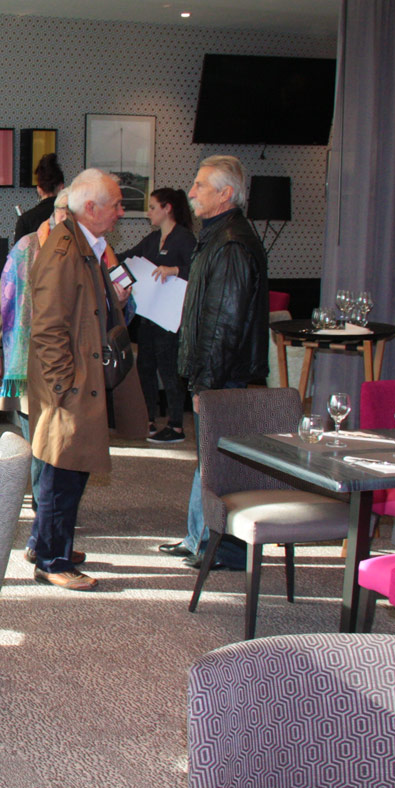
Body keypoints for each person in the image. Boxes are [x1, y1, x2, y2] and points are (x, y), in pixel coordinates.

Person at [159, 156, 269, 570]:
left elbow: (224, 323)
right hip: (218, 373)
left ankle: (218, 547)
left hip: (224, 377)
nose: (191, 193)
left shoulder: (232, 243)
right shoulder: (218, 236)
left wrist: (206, 384)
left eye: (200, 185)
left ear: (225, 194)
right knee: (209, 458)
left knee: (220, 464)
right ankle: (198, 539)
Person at [26, 169, 129, 591]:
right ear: (90, 208)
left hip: (79, 378)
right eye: (116, 205)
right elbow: (47, 328)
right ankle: (52, 559)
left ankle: (45, 544)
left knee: (72, 467)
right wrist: (64, 386)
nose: (121, 212)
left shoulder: (82, 244)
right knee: (61, 471)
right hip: (68, 384)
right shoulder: (65, 249)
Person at [0, 189, 71, 518]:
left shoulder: (91, 250)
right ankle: (44, 508)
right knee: (38, 440)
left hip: (72, 362)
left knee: (63, 441)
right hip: (28, 361)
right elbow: (2, 302)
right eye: (67, 214)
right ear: (58, 214)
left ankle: (51, 506)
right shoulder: (27, 247)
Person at [121, 187, 196, 444]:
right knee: (145, 367)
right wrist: (101, 251)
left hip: (170, 318)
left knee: (169, 369)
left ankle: (176, 425)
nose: (149, 213)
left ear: (167, 208)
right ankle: (149, 418)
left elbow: (198, 268)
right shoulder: (153, 239)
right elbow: (129, 257)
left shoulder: (184, 238)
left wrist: (174, 269)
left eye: (153, 207)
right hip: (149, 315)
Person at [12, 152, 66, 242]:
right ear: (61, 187)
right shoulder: (69, 216)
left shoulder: (26, 219)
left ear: (39, 189)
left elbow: (19, 250)